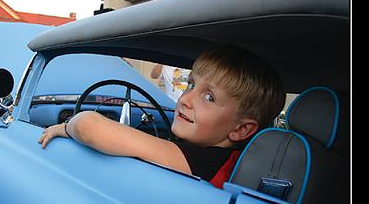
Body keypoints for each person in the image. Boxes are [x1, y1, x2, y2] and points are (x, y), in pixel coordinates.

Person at [38, 45, 285, 189]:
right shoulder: (230, 159)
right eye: (191, 85)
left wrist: (65, 126)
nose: (185, 99)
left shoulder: (204, 161)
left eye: (208, 97)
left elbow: (89, 126)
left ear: (241, 130)